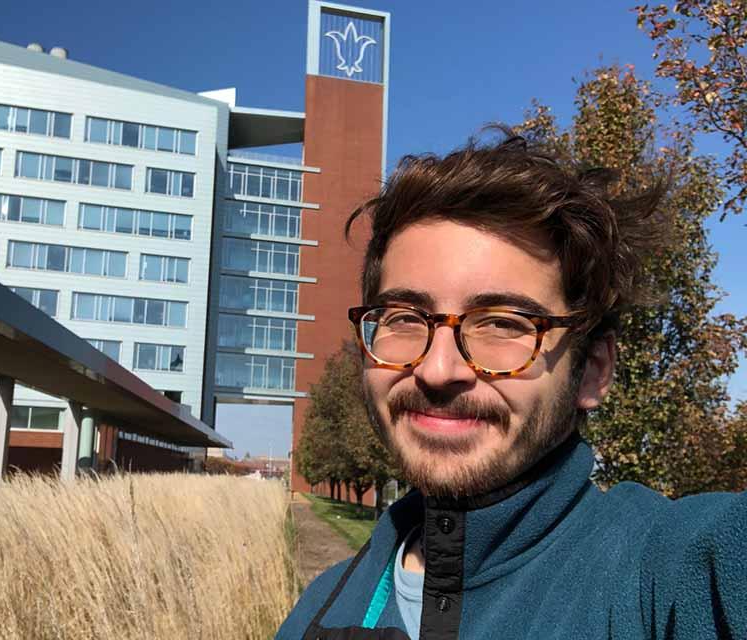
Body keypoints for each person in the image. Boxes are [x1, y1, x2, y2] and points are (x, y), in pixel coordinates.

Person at [275, 131, 746, 640]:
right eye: (405, 317)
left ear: (593, 370)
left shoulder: (663, 577)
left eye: (502, 324)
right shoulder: (321, 606)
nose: (437, 370)